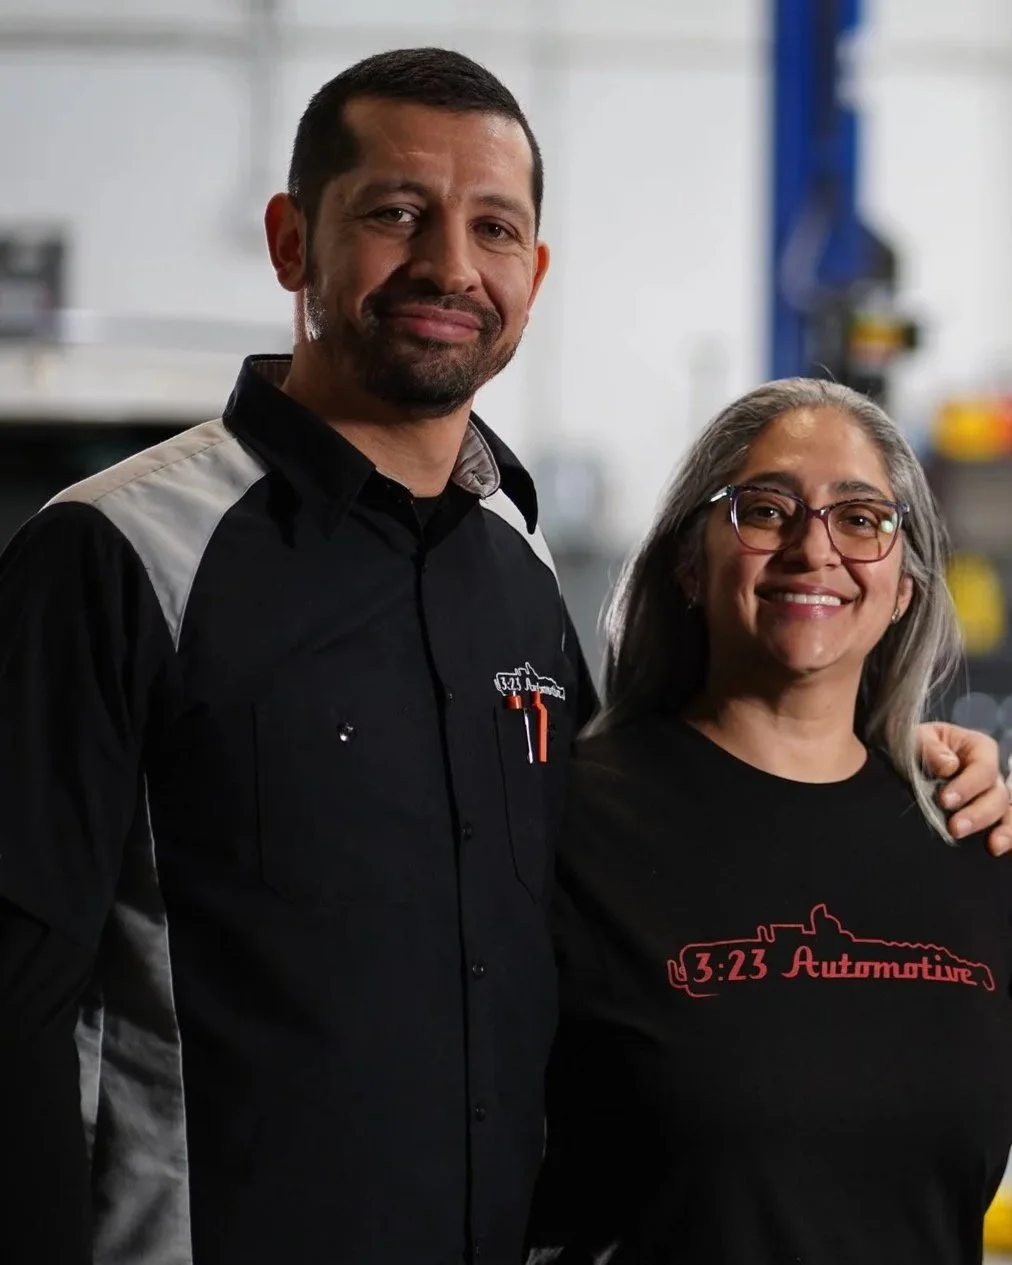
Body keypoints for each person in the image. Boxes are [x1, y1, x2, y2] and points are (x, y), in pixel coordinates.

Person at [0, 47, 1006, 1265]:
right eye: (395, 213)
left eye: (493, 229)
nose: (448, 266)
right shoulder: (116, 554)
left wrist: (910, 761)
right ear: (288, 240)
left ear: (533, 277)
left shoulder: (515, 584)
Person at [528, 379, 1012, 1265]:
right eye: (767, 508)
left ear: (903, 586)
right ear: (688, 561)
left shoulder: (970, 836)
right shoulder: (567, 822)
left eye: (862, 518)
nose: (813, 547)